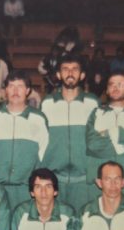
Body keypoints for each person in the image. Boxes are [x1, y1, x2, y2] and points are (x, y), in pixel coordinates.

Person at [40, 54, 99, 212]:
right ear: (59, 75)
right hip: (55, 180)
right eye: (65, 69)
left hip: (84, 181)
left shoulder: (93, 103)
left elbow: (100, 141)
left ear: (82, 75)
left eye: (75, 69)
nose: (70, 73)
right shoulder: (47, 103)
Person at [0, 70, 49, 210]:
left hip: (25, 190)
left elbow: (44, 154)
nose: (15, 91)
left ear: (28, 91)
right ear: (5, 90)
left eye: (20, 86)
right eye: (11, 86)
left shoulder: (38, 118)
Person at [86, 72, 124, 203]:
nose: (115, 88)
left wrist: (107, 133)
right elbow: (93, 144)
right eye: (112, 85)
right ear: (107, 90)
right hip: (101, 185)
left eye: (120, 84)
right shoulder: (97, 113)